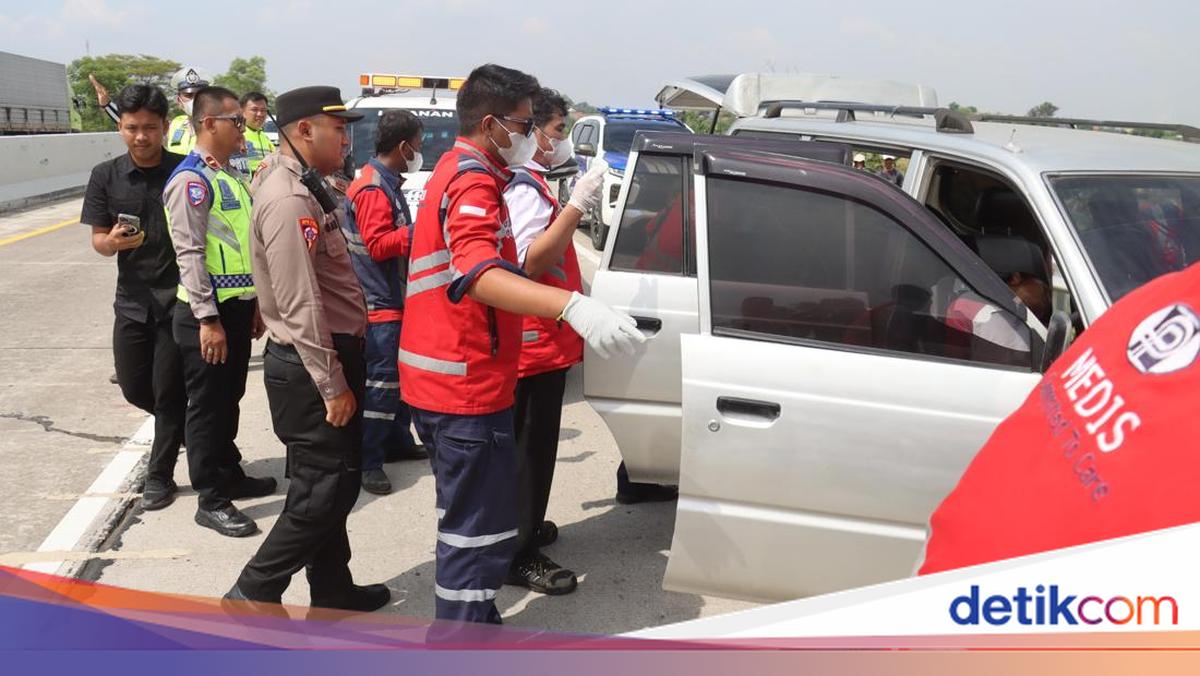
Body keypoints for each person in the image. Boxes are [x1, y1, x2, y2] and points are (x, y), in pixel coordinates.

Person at [399, 63, 644, 625]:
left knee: (477, 525)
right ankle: (460, 640)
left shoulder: (467, 171)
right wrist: (570, 306)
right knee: (473, 534)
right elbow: (479, 274)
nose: (533, 136)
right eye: (526, 125)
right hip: (463, 383)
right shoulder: (472, 181)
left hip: (452, 376)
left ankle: (473, 622)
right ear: (491, 124)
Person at [227, 86, 390, 614]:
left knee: (325, 486)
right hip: (313, 362)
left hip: (322, 354)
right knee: (325, 491)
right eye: (337, 130)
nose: (346, 140)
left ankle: (332, 588)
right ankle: (253, 590)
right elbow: (300, 302)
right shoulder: (290, 198)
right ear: (303, 130)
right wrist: (331, 383)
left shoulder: (302, 183)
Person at [501, 88, 607, 596]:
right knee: (531, 451)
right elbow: (529, 262)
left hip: (540, 340)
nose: (564, 140)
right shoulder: (523, 187)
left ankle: (521, 527)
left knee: (531, 447)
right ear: (535, 134)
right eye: (558, 130)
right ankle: (517, 553)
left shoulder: (533, 183)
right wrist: (576, 208)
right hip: (532, 342)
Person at [164, 86, 275, 538]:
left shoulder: (227, 175)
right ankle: (210, 498)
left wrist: (255, 303)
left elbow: (244, 248)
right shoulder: (192, 181)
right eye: (236, 121)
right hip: (206, 316)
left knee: (229, 398)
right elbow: (190, 254)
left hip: (236, 308)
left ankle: (229, 473)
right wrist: (208, 319)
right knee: (208, 408)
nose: (244, 128)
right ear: (209, 123)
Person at [81, 84, 187, 511]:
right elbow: (98, 241)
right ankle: (187, 428)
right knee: (133, 387)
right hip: (132, 301)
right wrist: (111, 243)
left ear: (165, 126)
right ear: (120, 128)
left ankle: (159, 477)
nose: (141, 137)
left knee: (168, 392)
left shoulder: (186, 171)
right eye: (131, 128)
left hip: (179, 300)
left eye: (149, 128)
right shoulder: (105, 175)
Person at [343, 109, 429, 496]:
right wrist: (421, 230)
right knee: (382, 385)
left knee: (399, 380)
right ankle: (370, 462)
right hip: (380, 303)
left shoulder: (387, 182)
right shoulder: (373, 189)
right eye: (419, 145)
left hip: (395, 298)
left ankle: (397, 441)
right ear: (404, 146)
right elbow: (378, 245)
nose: (420, 152)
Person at [166, 67, 210, 154]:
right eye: (189, 95)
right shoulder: (177, 124)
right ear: (179, 101)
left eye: (200, 95)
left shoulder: (220, 126)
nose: (195, 100)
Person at [230, 92, 273, 179]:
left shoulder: (265, 138)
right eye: (254, 110)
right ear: (241, 111)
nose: (260, 114)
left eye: (263, 110)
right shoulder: (236, 135)